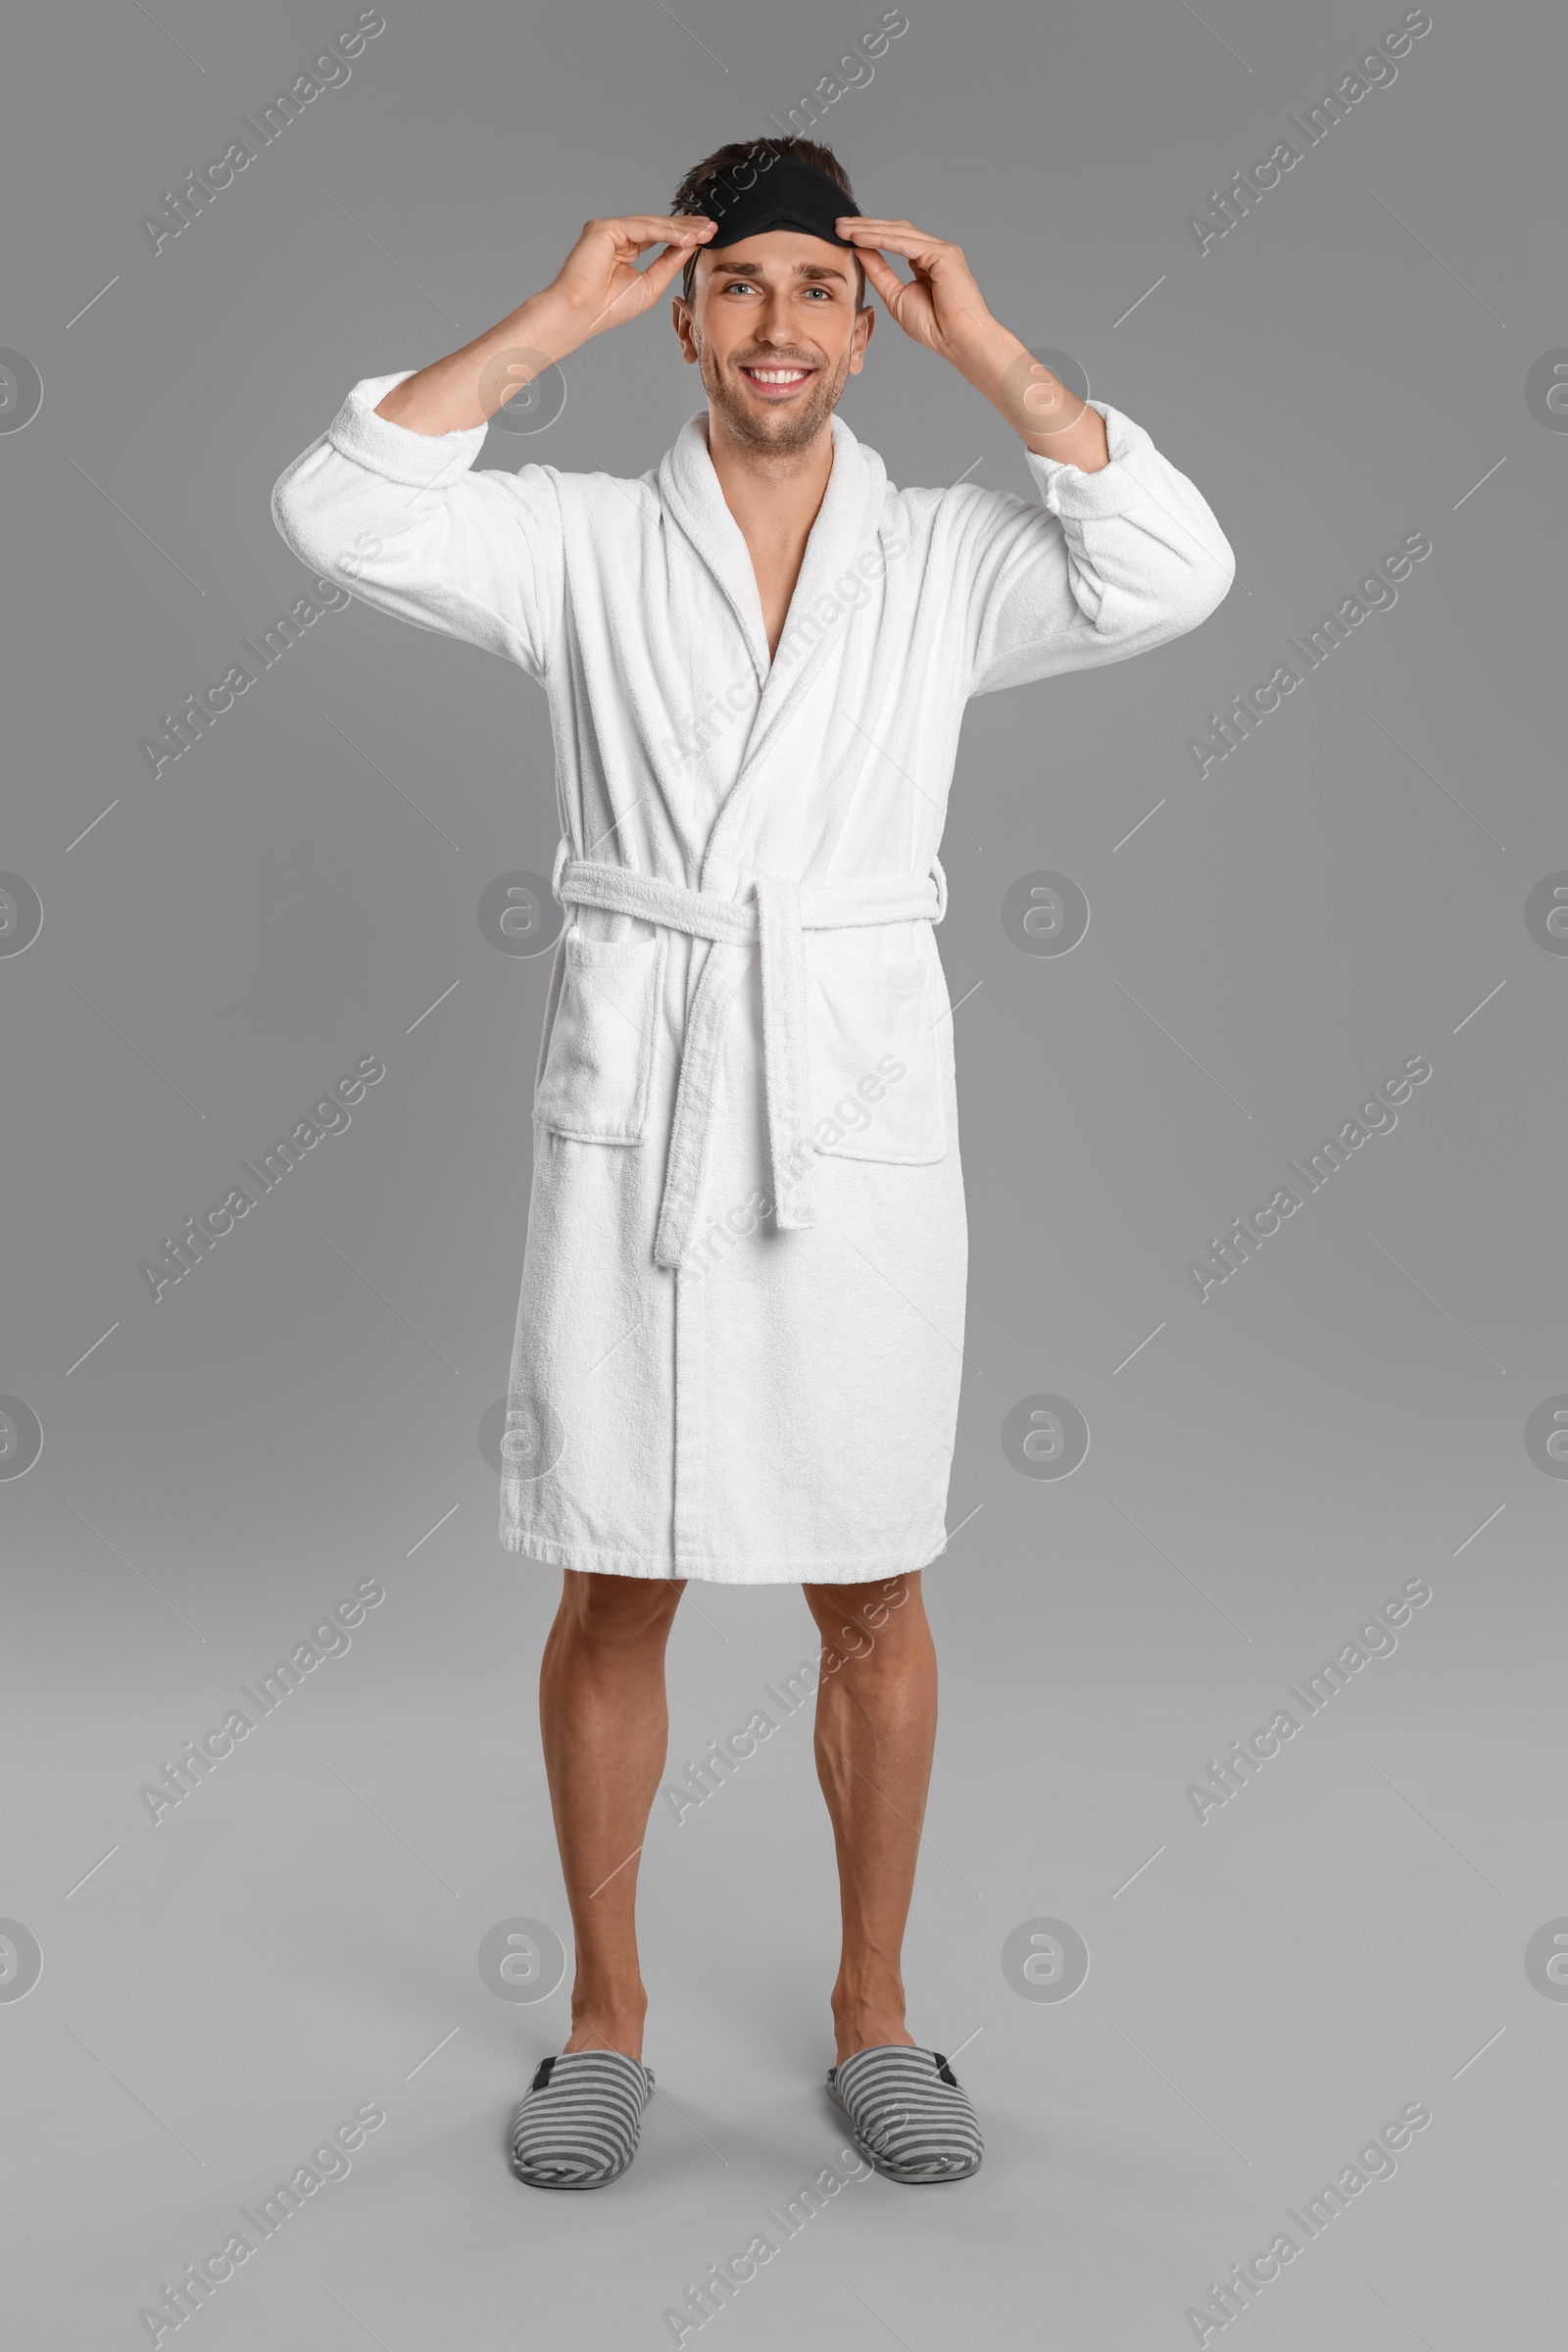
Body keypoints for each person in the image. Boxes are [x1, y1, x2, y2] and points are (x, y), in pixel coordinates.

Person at [272, 134, 1234, 2191]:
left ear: (865, 325)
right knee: (615, 1577)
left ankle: (872, 2010)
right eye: (735, 289)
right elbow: (337, 506)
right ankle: (602, 2024)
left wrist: (1001, 356)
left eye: (819, 289)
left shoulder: (952, 558)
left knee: (870, 1582)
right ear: (681, 320)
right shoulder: (575, 548)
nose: (777, 326)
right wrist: (548, 316)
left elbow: (1172, 570)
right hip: (649, 1092)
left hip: (849, 1109)